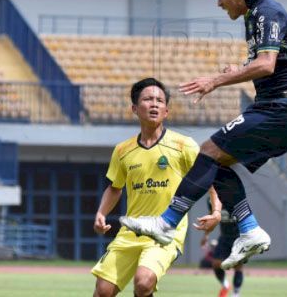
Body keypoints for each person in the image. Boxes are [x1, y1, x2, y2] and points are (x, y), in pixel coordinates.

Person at [121, 0, 287, 269]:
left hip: (285, 105)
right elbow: (274, 63)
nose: (218, 3)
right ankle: (250, 231)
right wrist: (240, 69)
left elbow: (266, 65)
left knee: (208, 150)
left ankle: (167, 222)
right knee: (216, 163)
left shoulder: (267, 12)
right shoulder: (257, 15)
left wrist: (216, 80)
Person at [92, 78, 222, 297]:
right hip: (131, 230)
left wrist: (216, 212)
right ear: (134, 108)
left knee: (143, 282)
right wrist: (101, 213)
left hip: (167, 230)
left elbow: (212, 178)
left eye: (159, 101)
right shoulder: (122, 151)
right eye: (148, 99)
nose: (154, 104)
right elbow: (115, 188)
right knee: (103, 292)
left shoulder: (183, 145)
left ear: (166, 111)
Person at [202, 198, 244, 297]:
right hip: (224, 237)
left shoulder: (236, 196)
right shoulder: (211, 200)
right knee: (216, 263)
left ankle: (236, 293)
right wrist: (206, 235)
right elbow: (211, 218)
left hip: (238, 237)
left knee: (238, 266)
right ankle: (225, 284)